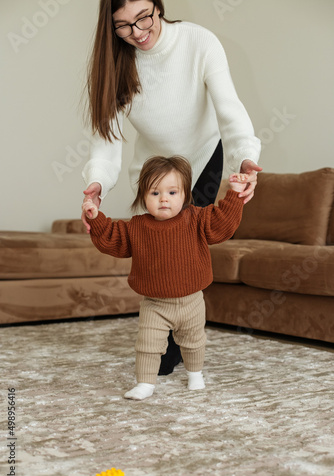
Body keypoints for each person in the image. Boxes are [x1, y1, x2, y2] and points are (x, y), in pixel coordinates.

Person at [81, 0, 262, 374]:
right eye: (123, 26)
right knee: (152, 248)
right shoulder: (116, 65)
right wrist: (96, 183)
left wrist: (243, 159)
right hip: (153, 169)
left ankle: (185, 337)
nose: (137, 32)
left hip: (204, 155)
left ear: (159, 7)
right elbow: (107, 140)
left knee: (184, 243)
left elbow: (229, 108)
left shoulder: (199, 42)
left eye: (143, 17)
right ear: (111, 28)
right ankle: (159, 332)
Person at [82, 155, 249, 400]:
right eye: (154, 193)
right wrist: (96, 217)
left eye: (172, 192)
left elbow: (223, 223)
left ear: (185, 196)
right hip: (155, 304)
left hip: (192, 301)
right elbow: (111, 237)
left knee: (194, 342)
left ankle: (195, 375)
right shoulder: (136, 227)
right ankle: (145, 383)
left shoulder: (198, 219)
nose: (163, 200)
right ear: (142, 197)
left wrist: (235, 193)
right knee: (147, 345)